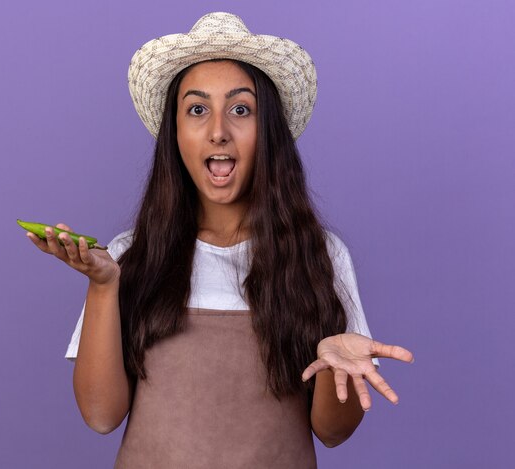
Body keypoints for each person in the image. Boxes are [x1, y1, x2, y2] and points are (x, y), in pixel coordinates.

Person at [25, 12, 413, 468]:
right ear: (175, 133)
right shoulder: (130, 254)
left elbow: (332, 431)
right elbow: (100, 415)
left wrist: (332, 363)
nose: (218, 129)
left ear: (267, 133)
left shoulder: (320, 256)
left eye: (240, 109)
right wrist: (104, 285)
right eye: (197, 109)